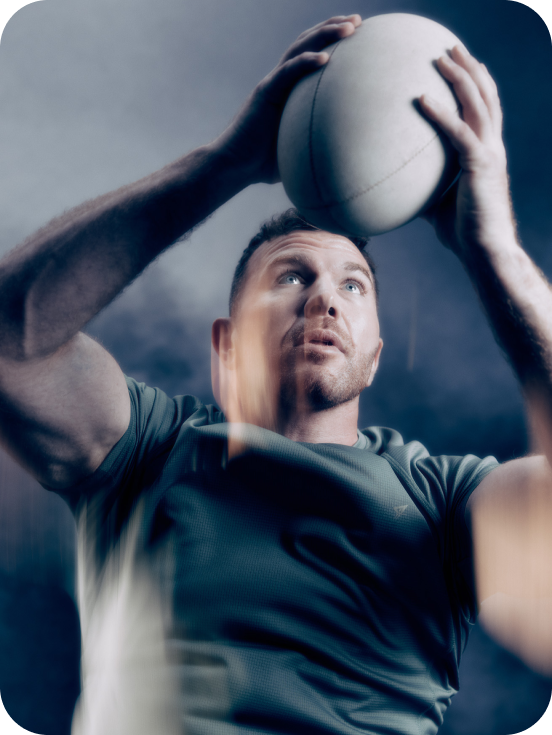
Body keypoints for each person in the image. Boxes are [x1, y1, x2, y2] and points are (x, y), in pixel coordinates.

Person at [0, 12, 551, 735]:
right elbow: (13, 341)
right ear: (226, 344)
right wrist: (223, 165)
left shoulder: (444, 503)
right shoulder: (144, 453)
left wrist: (495, 250)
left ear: (375, 353)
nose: (326, 295)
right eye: (292, 276)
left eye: (354, 286)